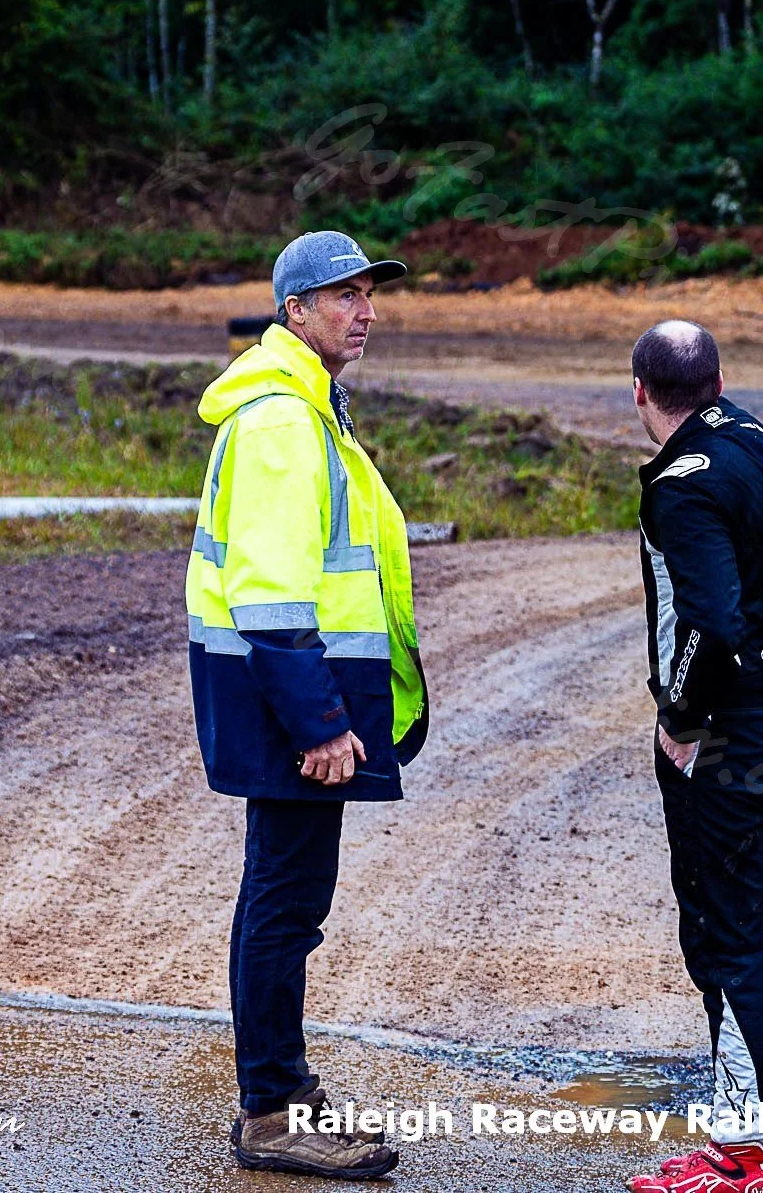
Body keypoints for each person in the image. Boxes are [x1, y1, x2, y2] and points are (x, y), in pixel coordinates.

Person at [185, 228, 429, 1179]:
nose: (365, 312)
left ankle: (278, 1088)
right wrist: (321, 723)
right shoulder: (283, 422)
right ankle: (271, 1112)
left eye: (369, 295)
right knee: (285, 905)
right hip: (291, 704)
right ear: (294, 310)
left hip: (289, 697)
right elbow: (271, 592)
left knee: (281, 897)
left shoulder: (308, 406)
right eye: (343, 297)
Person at [624, 321, 763, 1193]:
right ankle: (762, 1133)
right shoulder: (760, 441)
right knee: (738, 931)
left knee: (723, 938)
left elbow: (709, 618)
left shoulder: (679, 487)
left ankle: (741, 1154)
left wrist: (682, 718)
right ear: (720, 382)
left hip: (726, 741)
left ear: (638, 391)